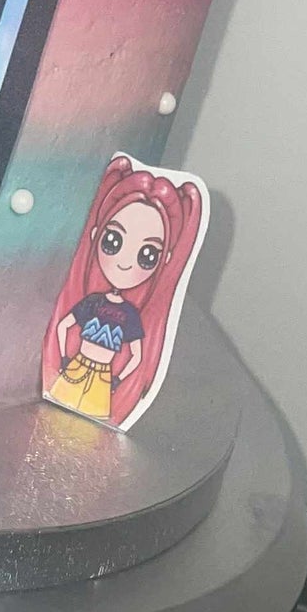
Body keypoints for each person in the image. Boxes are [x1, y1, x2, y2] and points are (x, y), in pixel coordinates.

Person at [42, 155, 209, 431]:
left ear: (165, 259)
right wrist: (63, 358)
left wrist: (118, 379)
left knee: (83, 435)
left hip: (102, 378)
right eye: (113, 240)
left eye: (147, 255)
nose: (125, 263)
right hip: (76, 367)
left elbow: (137, 356)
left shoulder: (130, 315)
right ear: (95, 234)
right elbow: (63, 327)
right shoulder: (92, 302)